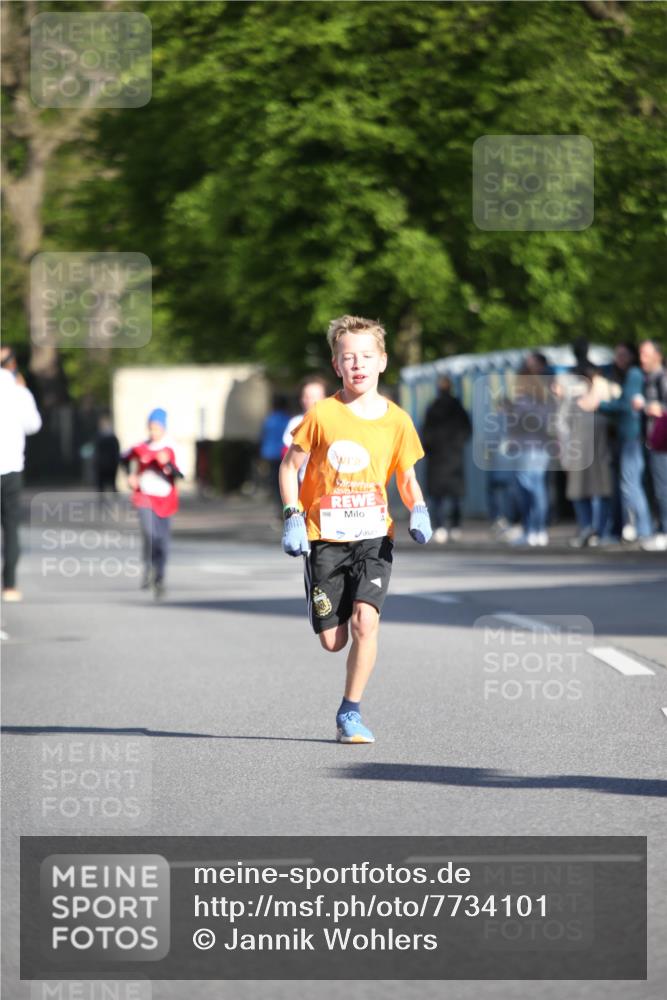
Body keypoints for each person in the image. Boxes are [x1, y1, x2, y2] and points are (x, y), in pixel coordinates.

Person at [279, 314, 431, 744]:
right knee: (333, 641)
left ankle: (351, 712)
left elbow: (405, 475)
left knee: (366, 622)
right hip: (325, 536)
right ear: (336, 365)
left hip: (373, 535)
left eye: (366, 356)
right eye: (349, 358)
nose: (358, 364)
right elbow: (290, 467)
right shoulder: (322, 415)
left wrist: (418, 507)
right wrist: (292, 514)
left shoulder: (397, 420)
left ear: (382, 361)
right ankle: (319, 594)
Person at [579, 343, 652, 542]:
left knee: (631, 485)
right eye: (617, 355)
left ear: (631, 356)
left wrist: (598, 404)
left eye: (623, 354)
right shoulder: (618, 375)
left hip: (631, 437)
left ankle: (644, 531)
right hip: (620, 437)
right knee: (621, 487)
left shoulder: (634, 374)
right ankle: (617, 530)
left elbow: (626, 405)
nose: (619, 358)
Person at [120, 408, 183, 599]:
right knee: (149, 533)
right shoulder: (140, 447)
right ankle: (147, 568)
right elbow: (123, 458)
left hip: (165, 499)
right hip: (144, 497)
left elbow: (179, 475)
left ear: (163, 428)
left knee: (162, 540)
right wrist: (130, 476)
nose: (153, 432)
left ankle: (159, 576)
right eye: (151, 427)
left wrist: (168, 465)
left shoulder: (171, 448)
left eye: (157, 428)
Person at [0, 351, 42, 602]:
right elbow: (34, 425)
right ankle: (10, 585)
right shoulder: (19, 393)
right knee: (11, 527)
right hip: (12, 467)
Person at [421, 376, 471, 543]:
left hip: (436, 458)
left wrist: (430, 448)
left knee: (437, 496)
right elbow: (467, 430)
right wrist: (457, 445)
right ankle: (455, 527)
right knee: (455, 495)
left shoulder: (432, 407)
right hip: (454, 457)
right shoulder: (458, 407)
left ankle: (440, 527)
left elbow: (425, 434)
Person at [636, 339, 667, 551]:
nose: (641, 359)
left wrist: (649, 406)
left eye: (645, 355)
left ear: (657, 356)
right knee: (656, 488)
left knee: (662, 488)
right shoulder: (648, 378)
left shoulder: (662, 378)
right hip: (653, 441)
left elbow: (661, 407)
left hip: (662, 442)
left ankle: (664, 531)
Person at [281, 376, 328, 483]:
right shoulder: (296, 422)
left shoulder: (335, 421)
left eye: (315, 396)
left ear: (325, 398)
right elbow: (287, 458)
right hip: (306, 483)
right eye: (307, 397)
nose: (311, 401)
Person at [260, 393, 291, 514]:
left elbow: (263, 436)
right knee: (285, 482)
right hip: (284, 454)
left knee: (275, 482)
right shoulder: (288, 419)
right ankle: (285, 506)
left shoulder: (269, 420)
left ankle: (278, 508)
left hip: (270, 454)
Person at [94, 414, 120, 494]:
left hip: (109, 464)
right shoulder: (100, 436)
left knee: (111, 483)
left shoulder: (111, 437)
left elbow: (116, 450)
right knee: (102, 484)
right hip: (103, 464)